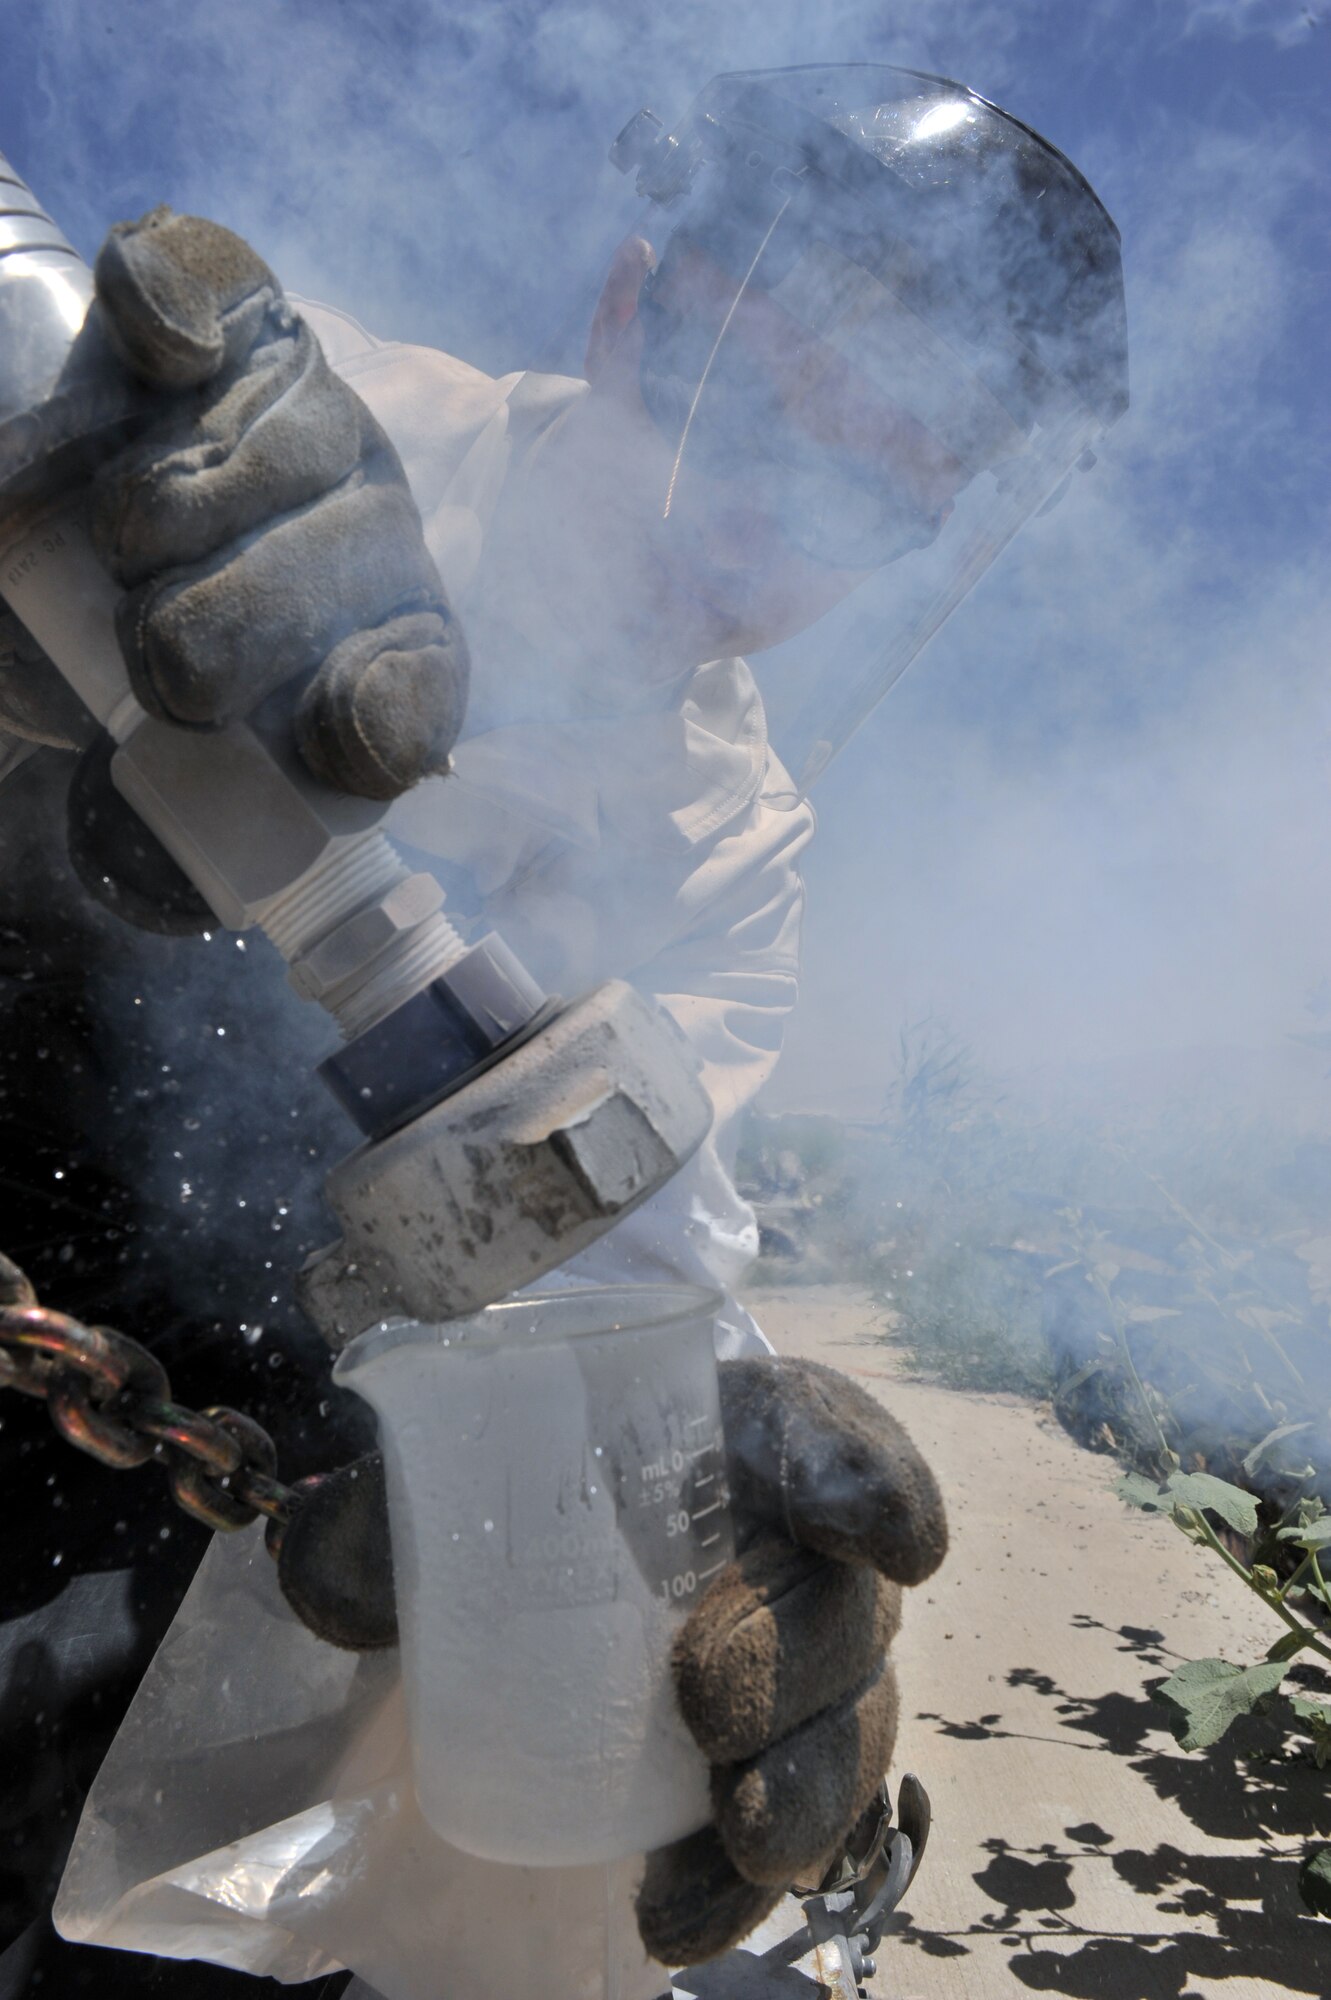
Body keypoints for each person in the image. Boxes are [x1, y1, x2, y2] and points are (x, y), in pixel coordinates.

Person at [0, 63, 1126, 1999]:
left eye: (864, 488)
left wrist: (700, 1498)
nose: (768, 523)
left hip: (264, 1425)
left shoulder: (738, 846)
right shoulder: (292, 447)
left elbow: (629, 1245)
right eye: (754, 403)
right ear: (630, 310)